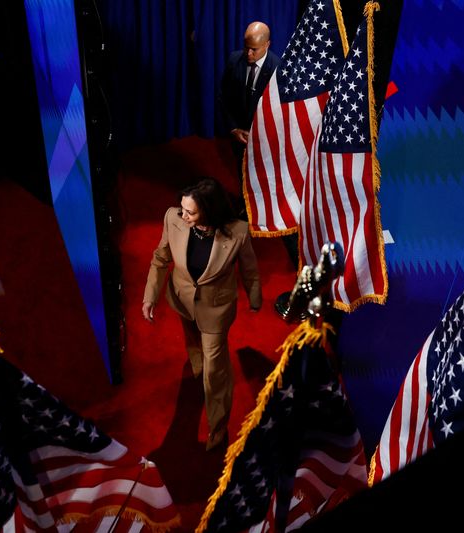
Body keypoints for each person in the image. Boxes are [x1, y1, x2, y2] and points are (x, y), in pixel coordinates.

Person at [142, 177, 262, 451]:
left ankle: (218, 428)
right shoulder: (173, 218)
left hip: (215, 311)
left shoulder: (238, 232)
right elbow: (160, 259)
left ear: (209, 210)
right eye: (182, 208)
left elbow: (250, 270)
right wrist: (151, 296)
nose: (183, 215)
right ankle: (196, 366)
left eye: (190, 212)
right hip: (182, 298)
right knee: (192, 340)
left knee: (215, 373)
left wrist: (255, 298)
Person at [219, 21, 299, 269]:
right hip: (239, 136)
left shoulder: (279, 69)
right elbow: (224, 98)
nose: (248, 53)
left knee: (264, 176)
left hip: (265, 139)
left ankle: (264, 211)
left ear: (267, 45)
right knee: (241, 173)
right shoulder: (235, 60)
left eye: (254, 49)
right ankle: (245, 208)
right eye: (246, 47)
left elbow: (284, 113)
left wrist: (259, 134)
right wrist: (233, 128)